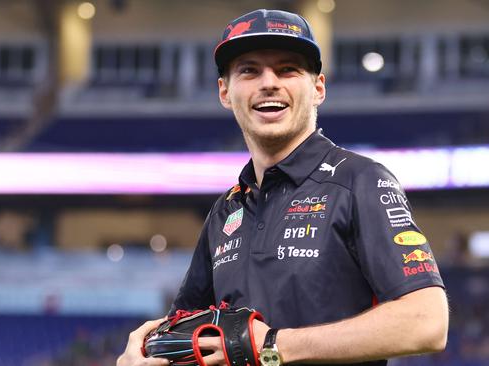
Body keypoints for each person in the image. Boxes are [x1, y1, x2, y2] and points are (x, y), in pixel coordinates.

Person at [117, 9, 448, 366]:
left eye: (288, 69)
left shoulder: (360, 181)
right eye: (249, 70)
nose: (269, 83)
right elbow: (185, 329)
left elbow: (427, 322)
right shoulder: (227, 210)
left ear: (318, 88)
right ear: (225, 92)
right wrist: (148, 346)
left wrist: (274, 344)